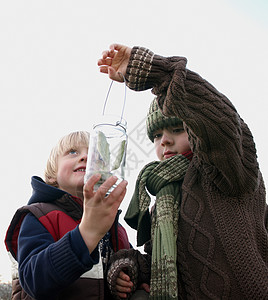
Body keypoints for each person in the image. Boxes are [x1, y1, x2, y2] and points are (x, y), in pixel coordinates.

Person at [98, 44, 268, 299]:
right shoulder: (164, 192)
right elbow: (168, 264)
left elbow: (220, 123)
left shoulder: (228, 169)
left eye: (176, 129)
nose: (164, 141)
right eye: (156, 135)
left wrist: (158, 73)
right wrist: (129, 268)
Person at [4, 131, 130, 300]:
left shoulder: (115, 225)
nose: (86, 156)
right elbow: (34, 281)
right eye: (72, 152)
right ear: (52, 174)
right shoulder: (38, 215)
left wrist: (128, 276)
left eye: (95, 154)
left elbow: (131, 261)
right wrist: (86, 235)